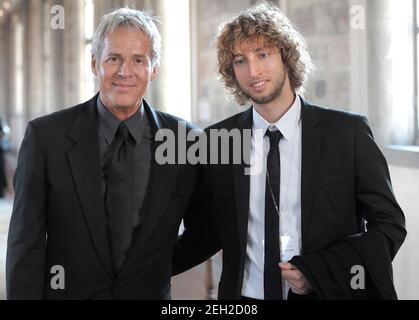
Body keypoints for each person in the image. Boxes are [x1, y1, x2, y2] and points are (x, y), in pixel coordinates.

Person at [173, 2, 406, 300]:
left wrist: (319, 271)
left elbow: (388, 225)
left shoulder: (347, 134)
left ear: (285, 55)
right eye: (240, 60)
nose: (253, 70)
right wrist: (137, 270)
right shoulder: (217, 140)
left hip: (326, 294)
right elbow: (205, 234)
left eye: (263, 54)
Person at [7, 8, 199, 299]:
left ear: (154, 69)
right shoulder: (46, 137)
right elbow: (26, 245)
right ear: (95, 63)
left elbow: (205, 229)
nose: (125, 71)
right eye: (114, 58)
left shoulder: (185, 141)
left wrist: (155, 267)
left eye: (138, 60)